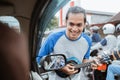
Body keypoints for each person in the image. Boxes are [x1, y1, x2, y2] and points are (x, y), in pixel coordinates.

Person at [36, 6, 98, 80]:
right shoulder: (53, 38)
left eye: (79, 25)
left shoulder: (87, 40)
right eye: (71, 24)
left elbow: (84, 59)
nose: (74, 29)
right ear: (66, 22)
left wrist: (91, 63)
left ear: (84, 24)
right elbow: (39, 59)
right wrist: (60, 67)